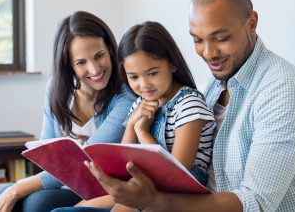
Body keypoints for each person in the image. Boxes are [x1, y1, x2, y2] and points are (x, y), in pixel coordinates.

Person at [84, 0, 295, 211]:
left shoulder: (284, 89)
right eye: (197, 40)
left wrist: (154, 200)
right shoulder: (216, 84)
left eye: (221, 38)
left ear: (251, 23)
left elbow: (256, 202)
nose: (208, 53)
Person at [53, 22, 216, 212]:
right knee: (73, 209)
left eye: (152, 73)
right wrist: (131, 124)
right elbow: (122, 163)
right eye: (134, 77)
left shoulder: (189, 104)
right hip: (143, 186)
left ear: (171, 63)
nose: (144, 85)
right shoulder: (140, 103)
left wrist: (141, 131)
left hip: (177, 197)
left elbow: (176, 175)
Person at [0, 11, 136, 212]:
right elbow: (47, 154)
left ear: (109, 49)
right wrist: (14, 190)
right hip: (63, 184)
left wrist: (18, 189)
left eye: (99, 56)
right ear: (69, 65)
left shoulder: (125, 97)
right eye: (81, 62)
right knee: (4, 192)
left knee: (32, 202)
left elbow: (83, 163)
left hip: (101, 190)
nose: (94, 69)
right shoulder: (56, 88)